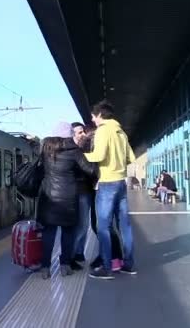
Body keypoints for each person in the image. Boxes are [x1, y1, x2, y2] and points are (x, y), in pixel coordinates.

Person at [84, 101, 137, 279]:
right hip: (121, 183)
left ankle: (107, 267)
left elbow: (98, 156)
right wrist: (118, 165)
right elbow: (131, 157)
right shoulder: (121, 132)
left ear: (99, 115)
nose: (92, 119)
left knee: (103, 227)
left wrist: (80, 155)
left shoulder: (103, 130)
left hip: (107, 184)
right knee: (125, 226)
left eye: (93, 116)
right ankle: (128, 265)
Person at [38, 122, 97, 279]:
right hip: (68, 199)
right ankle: (65, 265)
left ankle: (45, 267)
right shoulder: (74, 151)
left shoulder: (45, 149)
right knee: (68, 232)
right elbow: (90, 170)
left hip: (48, 198)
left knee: (48, 234)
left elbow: (39, 169)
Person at [82, 125, 124, 271]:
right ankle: (114, 257)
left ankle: (111, 258)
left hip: (101, 188)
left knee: (100, 225)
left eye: (83, 132)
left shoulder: (95, 143)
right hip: (109, 186)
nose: (82, 135)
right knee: (104, 225)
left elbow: (93, 167)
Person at [70, 122, 95, 270]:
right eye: (79, 132)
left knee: (84, 225)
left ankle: (79, 252)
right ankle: (72, 255)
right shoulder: (73, 151)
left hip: (88, 189)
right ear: (72, 135)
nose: (83, 134)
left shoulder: (85, 147)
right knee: (81, 225)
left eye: (83, 131)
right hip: (80, 191)